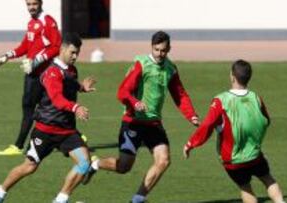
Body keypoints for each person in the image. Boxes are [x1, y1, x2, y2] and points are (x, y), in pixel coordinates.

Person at [83, 31, 200, 203]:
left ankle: (137, 199)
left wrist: (192, 116)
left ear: (169, 49)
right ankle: (95, 165)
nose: (160, 54)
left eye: (164, 50)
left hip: (153, 124)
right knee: (124, 167)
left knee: (164, 160)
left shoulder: (170, 68)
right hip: (133, 123)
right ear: (151, 47)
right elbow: (122, 92)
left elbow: (180, 95)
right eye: (157, 50)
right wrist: (135, 102)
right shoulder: (141, 65)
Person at [0, 34, 96, 203]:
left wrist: (82, 88)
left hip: (67, 131)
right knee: (29, 167)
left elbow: (70, 85)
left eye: (78, 53)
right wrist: (76, 107)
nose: (75, 56)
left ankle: (60, 200)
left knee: (84, 163)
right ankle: (0, 193)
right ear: (62, 49)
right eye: (72, 52)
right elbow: (57, 98)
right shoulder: (52, 72)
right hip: (45, 130)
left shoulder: (71, 69)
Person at [183, 60, 285, 203]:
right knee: (268, 179)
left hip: (233, 160)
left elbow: (207, 125)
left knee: (245, 187)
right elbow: (266, 121)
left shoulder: (221, 100)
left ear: (232, 76)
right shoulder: (256, 98)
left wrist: (190, 144)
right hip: (255, 155)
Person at [0, 0, 62, 155]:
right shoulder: (32, 23)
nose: (31, 7)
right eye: (28, 4)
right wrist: (8, 55)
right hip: (31, 72)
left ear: (40, 3)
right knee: (48, 108)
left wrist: (37, 61)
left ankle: (18, 146)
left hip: (42, 74)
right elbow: (26, 45)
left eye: (34, 4)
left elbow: (56, 46)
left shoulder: (47, 20)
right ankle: (75, 137)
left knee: (31, 109)